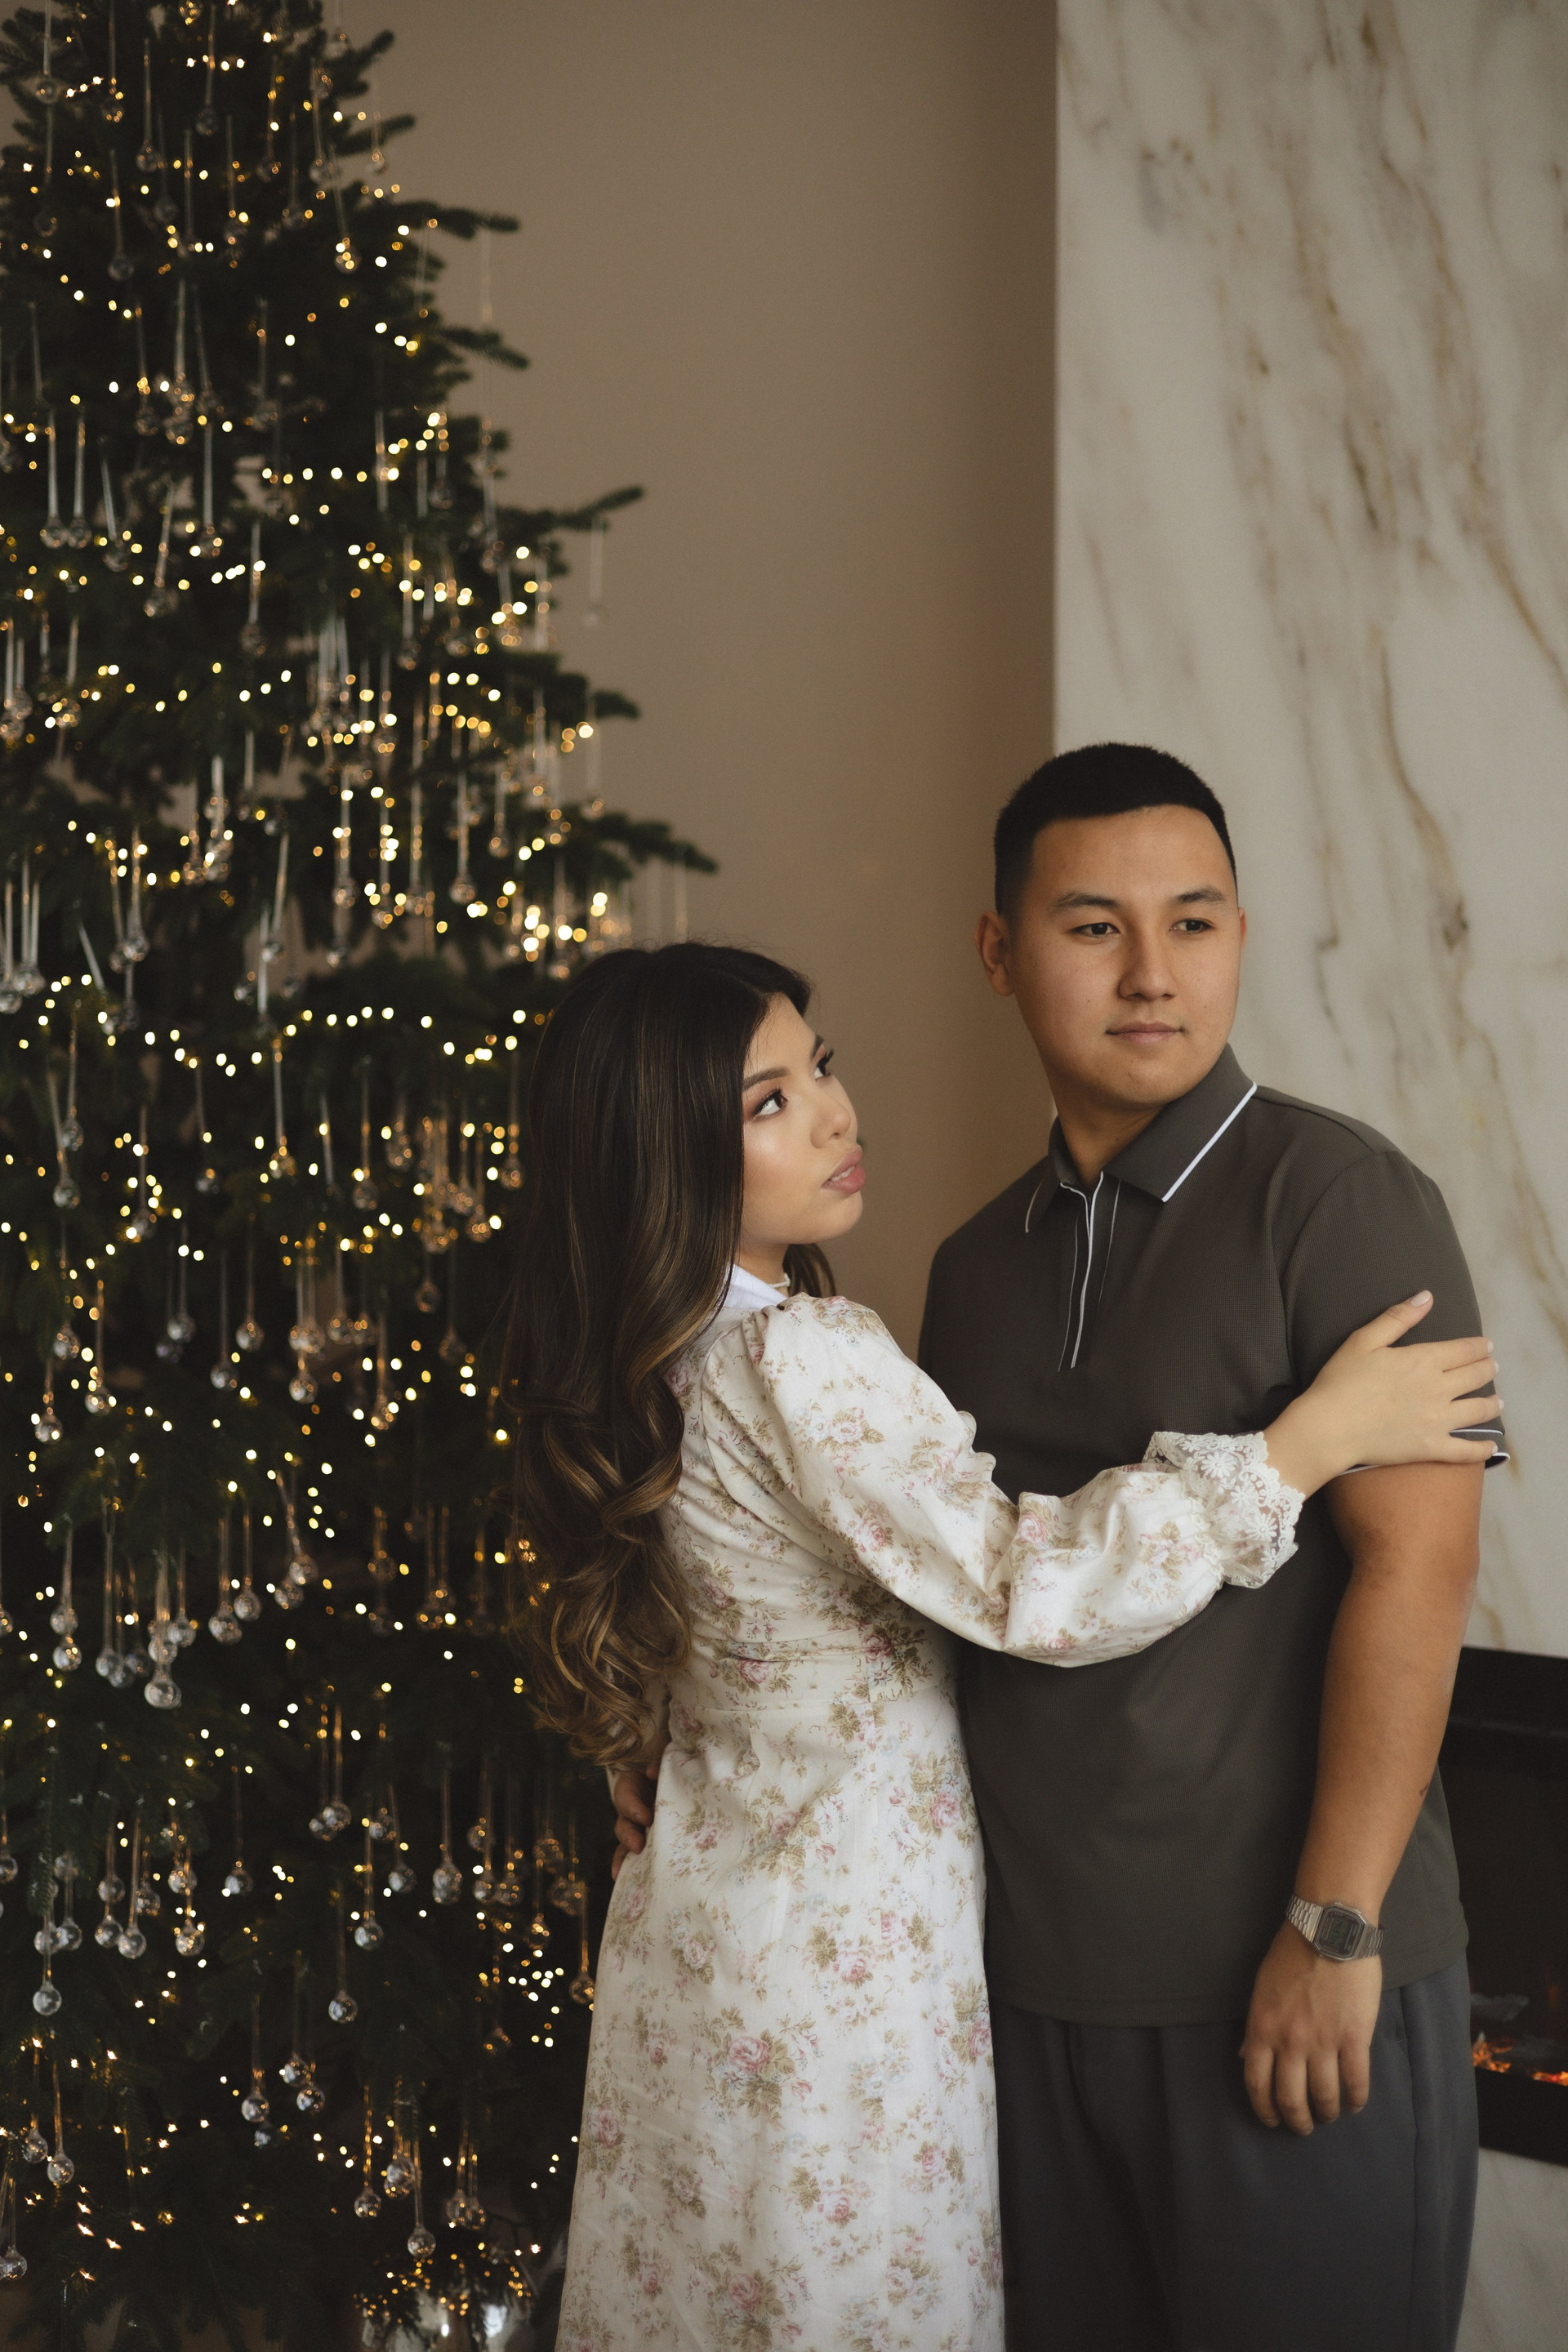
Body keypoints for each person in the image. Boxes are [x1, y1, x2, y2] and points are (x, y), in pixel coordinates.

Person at [513, 941, 1499, 2352]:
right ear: (658, 1158)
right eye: (770, 1103)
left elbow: (717, 1614)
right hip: (842, 1965)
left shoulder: (658, 1356)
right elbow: (1031, 1586)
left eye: (821, 1069)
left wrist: (656, 1747)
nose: (836, 1115)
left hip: (702, 1943)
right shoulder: (801, 1355)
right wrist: (1302, 1445)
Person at [917, 744, 1507, 2352]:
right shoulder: (972, 1268)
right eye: (1094, 927)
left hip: (1289, 1986)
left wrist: (1335, 1926)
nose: (1153, 973)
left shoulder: (1344, 1200)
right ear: (1000, 951)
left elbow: (1418, 1571)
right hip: (1028, 1998)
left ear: (1241, 933)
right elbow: (953, 1597)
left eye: (1194, 921)